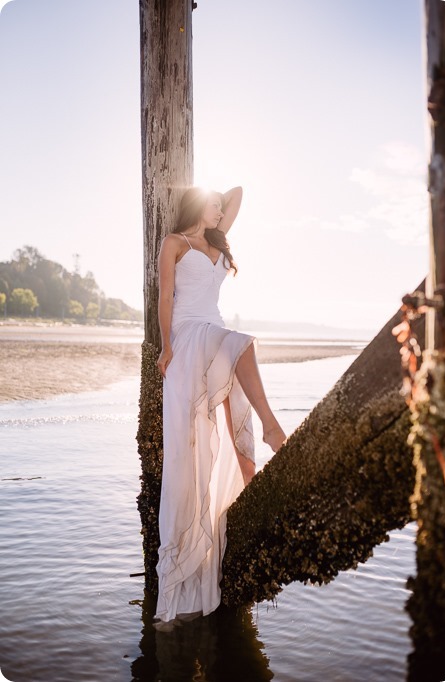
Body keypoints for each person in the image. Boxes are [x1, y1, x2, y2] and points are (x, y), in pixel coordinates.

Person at [154, 185, 286, 626]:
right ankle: (272, 427)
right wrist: (165, 347)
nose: (219, 211)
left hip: (214, 333)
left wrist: (206, 195)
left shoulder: (214, 239)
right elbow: (165, 297)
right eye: (210, 206)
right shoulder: (175, 243)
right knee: (242, 346)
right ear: (198, 207)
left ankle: (249, 476)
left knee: (232, 416)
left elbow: (239, 192)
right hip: (190, 336)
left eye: (217, 207)